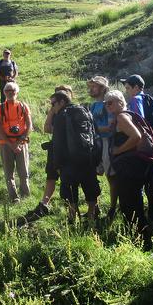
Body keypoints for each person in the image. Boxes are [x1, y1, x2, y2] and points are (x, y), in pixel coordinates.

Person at [104, 89, 153, 249]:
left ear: (121, 102)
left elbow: (136, 137)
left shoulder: (121, 117)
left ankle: (140, 241)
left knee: (129, 204)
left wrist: (118, 151)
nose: (107, 106)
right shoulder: (126, 115)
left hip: (130, 166)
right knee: (135, 202)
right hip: (137, 164)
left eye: (110, 102)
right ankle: (144, 239)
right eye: (106, 103)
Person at [22, 85, 74, 222]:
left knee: (68, 180)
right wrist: (52, 111)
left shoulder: (72, 112)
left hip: (68, 150)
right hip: (55, 147)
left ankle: (71, 210)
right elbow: (46, 128)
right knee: (51, 175)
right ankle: (44, 203)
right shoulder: (56, 111)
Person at [49, 89, 101, 223]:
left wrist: (57, 165)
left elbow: (58, 143)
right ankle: (92, 215)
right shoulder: (84, 111)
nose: (52, 107)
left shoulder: (62, 116)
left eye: (53, 103)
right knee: (90, 187)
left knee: (69, 190)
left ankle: (73, 218)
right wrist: (96, 159)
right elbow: (95, 135)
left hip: (69, 161)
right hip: (88, 158)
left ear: (62, 102)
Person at [120, 74, 153, 225]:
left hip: (143, 148)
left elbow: (139, 121)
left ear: (137, 87)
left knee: (141, 183)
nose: (127, 91)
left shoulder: (136, 100)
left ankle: (142, 218)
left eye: (128, 88)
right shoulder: (151, 99)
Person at [0, 81, 32, 202]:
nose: (10, 93)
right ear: (4, 92)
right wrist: (11, 144)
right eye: (7, 91)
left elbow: (29, 125)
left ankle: (25, 196)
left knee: (24, 171)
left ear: (17, 92)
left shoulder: (23, 106)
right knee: (8, 172)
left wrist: (19, 142)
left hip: (21, 143)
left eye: (13, 91)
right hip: (5, 143)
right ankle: (13, 197)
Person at [88, 76, 118, 219]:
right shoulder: (93, 106)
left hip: (107, 142)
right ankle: (95, 207)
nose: (91, 89)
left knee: (111, 176)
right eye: (91, 86)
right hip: (96, 143)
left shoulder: (108, 104)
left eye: (94, 86)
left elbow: (111, 127)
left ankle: (113, 208)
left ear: (102, 88)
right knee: (92, 175)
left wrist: (95, 130)